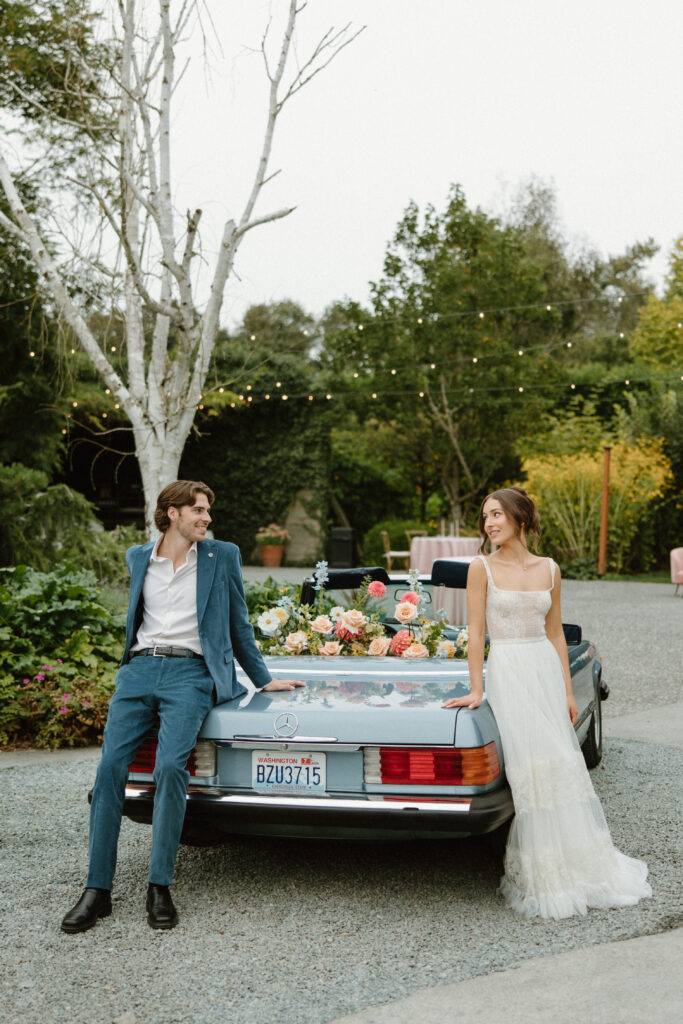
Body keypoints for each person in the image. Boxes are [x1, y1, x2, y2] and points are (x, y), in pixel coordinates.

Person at [61, 480, 304, 933]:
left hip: (191, 675)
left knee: (171, 767)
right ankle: (97, 890)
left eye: (207, 510)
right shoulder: (139, 557)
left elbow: (239, 624)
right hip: (137, 671)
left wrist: (264, 679)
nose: (206, 517)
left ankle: (160, 885)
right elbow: (137, 620)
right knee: (109, 769)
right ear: (172, 513)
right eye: (198, 510)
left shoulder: (221, 555)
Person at [442, 486, 651, 920]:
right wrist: (477, 689)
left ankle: (586, 867)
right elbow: (477, 634)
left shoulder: (551, 569)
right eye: (485, 517)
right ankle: (545, 876)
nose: (489, 524)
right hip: (509, 671)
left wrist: (567, 690)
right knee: (530, 771)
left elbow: (556, 633)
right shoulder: (480, 568)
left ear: (519, 517)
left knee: (563, 765)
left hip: (542, 667)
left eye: (497, 514)